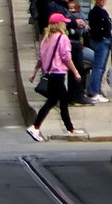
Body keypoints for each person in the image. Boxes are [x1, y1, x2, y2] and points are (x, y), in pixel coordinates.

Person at [27, 13, 84, 141]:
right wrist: (75, 72)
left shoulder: (46, 39)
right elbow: (66, 57)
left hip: (49, 73)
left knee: (61, 100)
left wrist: (35, 72)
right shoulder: (62, 38)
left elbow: (41, 59)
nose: (66, 24)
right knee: (53, 101)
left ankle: (70, 128)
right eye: (64, 22)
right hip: (58, 74)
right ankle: (35, 127)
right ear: (59, 24)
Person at [48, 0, 92, 106]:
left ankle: (73, 95)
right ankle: (75, 95)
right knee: (75, 68)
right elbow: (59, 21)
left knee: (77, 67)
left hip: (73, 41)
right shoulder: (55, 6)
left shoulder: (65, 6)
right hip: (66, 41)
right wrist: (74, 22)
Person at [87, 0, 112, 103]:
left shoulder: (103, 11)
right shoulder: (95, 12)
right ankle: (94, 92)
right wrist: (102, 37)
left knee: (101, 68)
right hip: (100, 42)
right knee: (98, 68)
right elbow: (96, 29)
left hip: (105, 41)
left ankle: (97, 90)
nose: (103, 0)